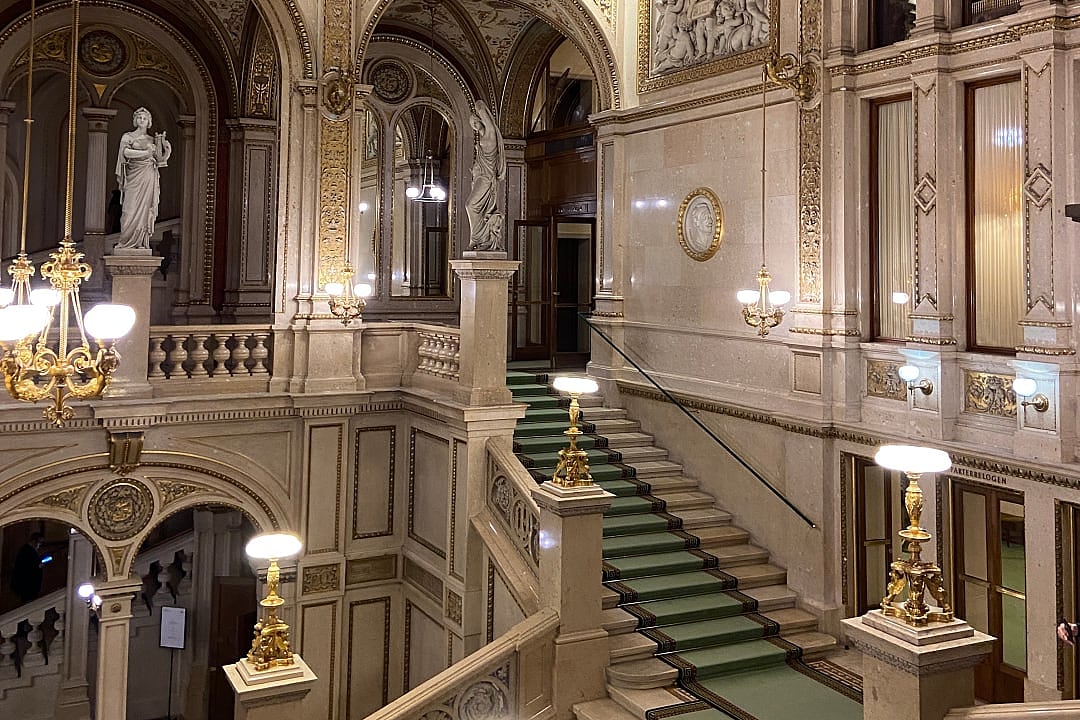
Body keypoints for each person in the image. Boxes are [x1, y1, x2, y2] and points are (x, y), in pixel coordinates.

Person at [114, 107, 171, 251]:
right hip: (134, 175)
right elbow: (125, 153)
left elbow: (159, 160)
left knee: (145, 210)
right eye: (139, 118)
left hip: (148, 175)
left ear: (149, 122)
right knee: (129, 209)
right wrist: (145, 152)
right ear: (135, 120)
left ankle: (140, 242)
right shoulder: (127, 137)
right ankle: (126, 241)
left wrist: (167, 150)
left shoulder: (152, 140)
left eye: (145, 118)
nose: (142, 120)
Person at [465, 101, 506, 252]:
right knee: (474, 208)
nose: (474, 125)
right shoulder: (483, 137)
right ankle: (479, 239)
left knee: (470, 205)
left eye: (475, 121)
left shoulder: (490, 136)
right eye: (472, 124)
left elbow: (484, 111)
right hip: (479, 178)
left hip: (486, 179)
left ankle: (478, 238)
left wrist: (479, 106)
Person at [11, 532, 44, 603]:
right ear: (34, 541)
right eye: (39, 542)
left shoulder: (28, 550)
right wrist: (38, 566)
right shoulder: (26, 551)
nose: (40, 545)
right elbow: (25, 568)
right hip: (27, 585)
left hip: (30, 585)